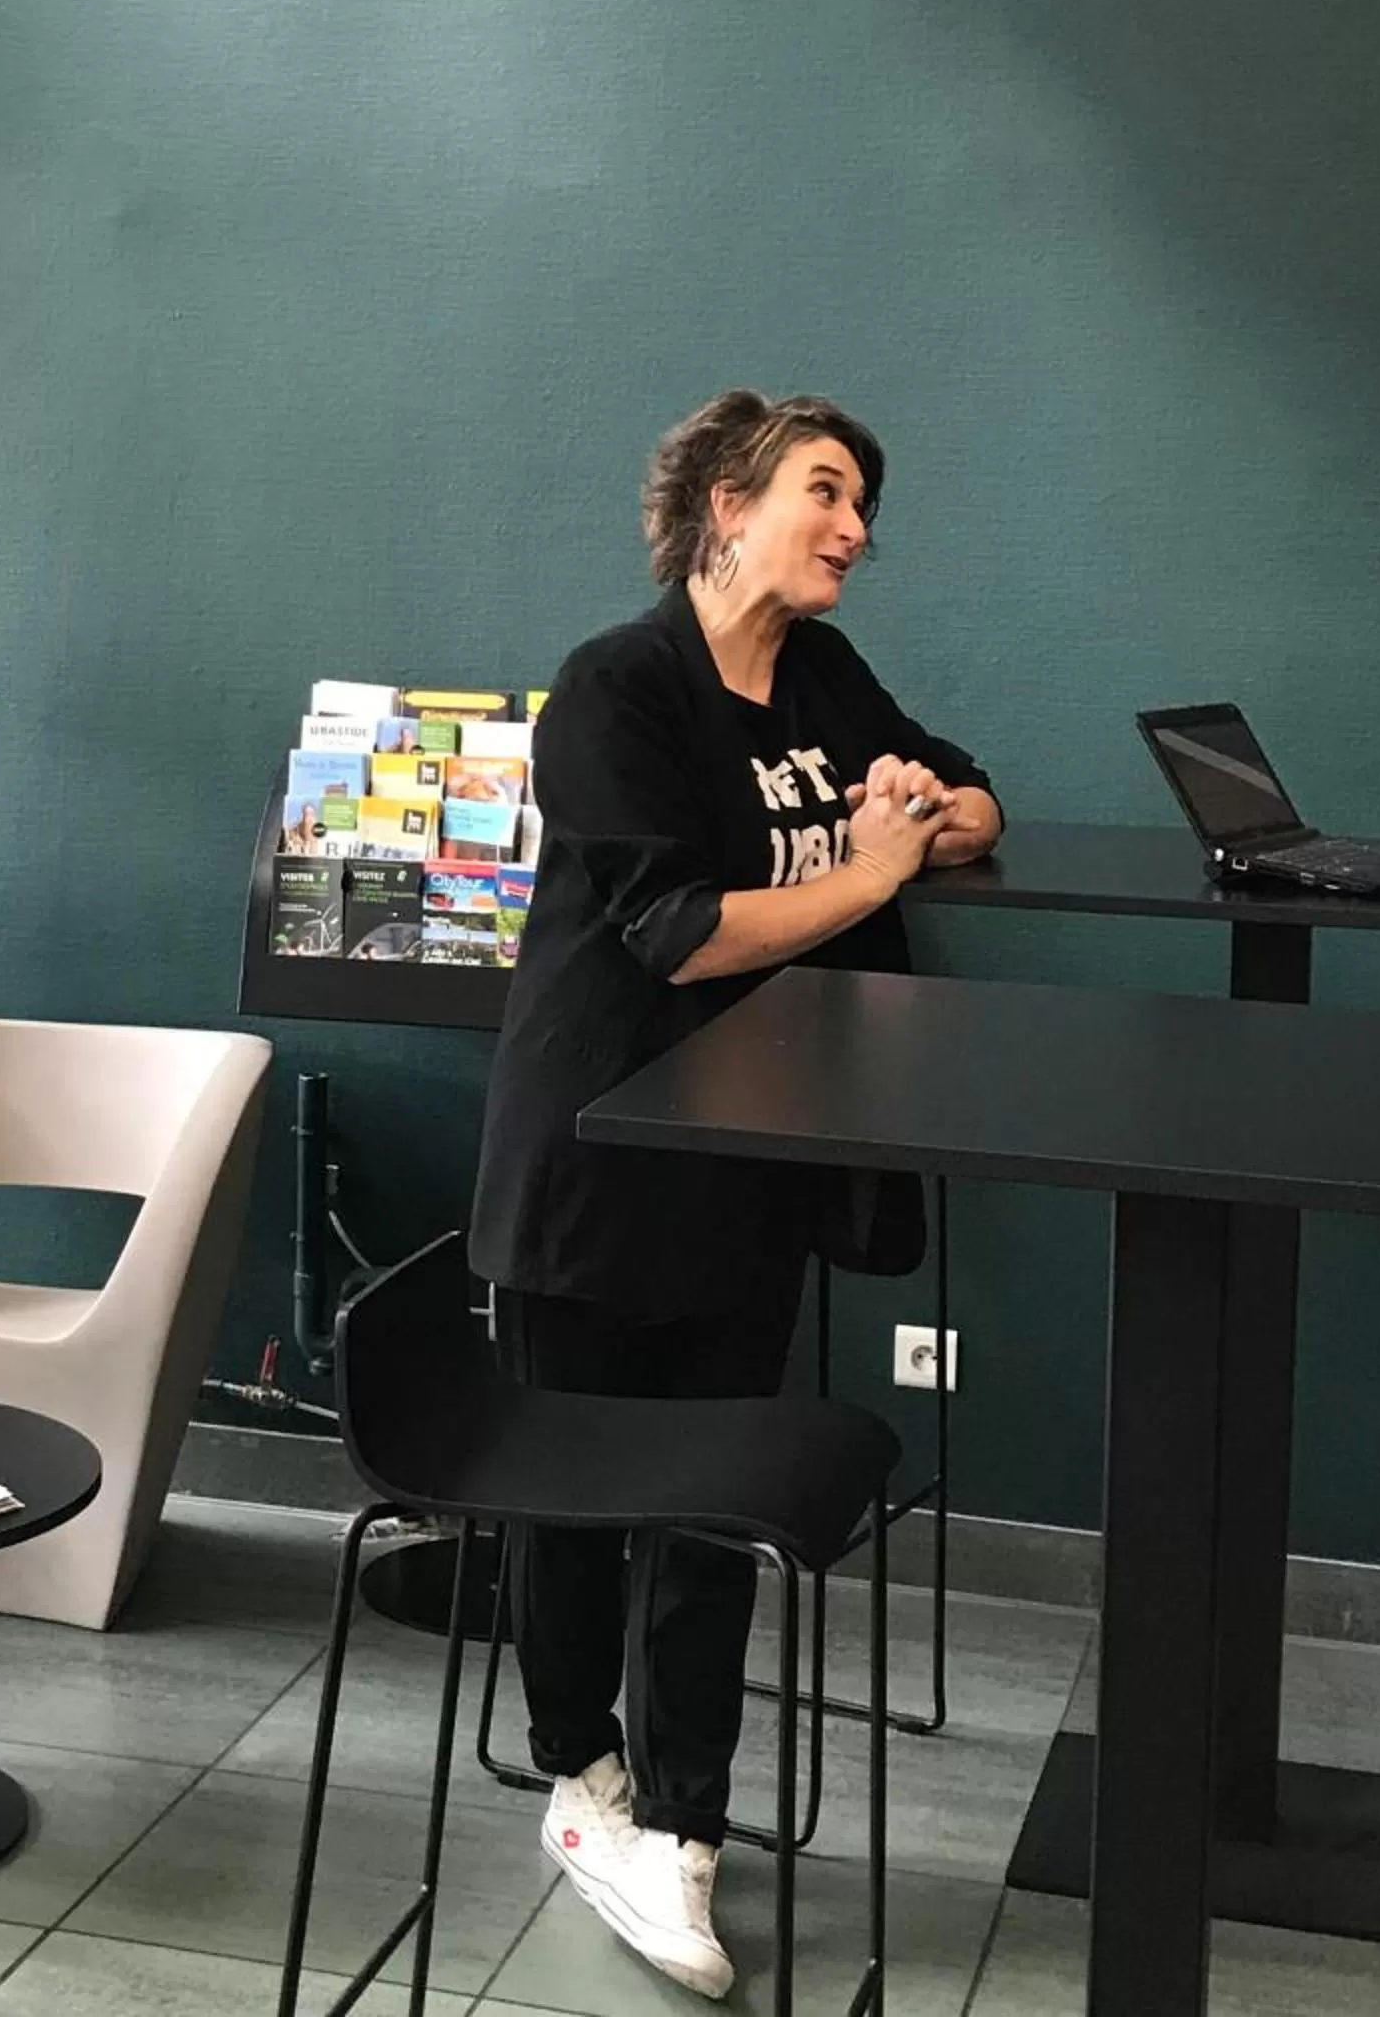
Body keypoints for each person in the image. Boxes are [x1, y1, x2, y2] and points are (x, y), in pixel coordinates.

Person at [469, 389, 999, 1999]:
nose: (855, 531)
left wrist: (931, 814)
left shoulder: (821, 677)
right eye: (826, 495)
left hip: (758, 1163)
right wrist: (868, 871)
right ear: (725, 503)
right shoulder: (616, 686)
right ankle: (584, 1780)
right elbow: (681, 930)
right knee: (578, 1498)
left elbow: (969, 791)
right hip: (602, 1156)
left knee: (710, 1503)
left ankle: (687, 1820)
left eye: (864, 508)